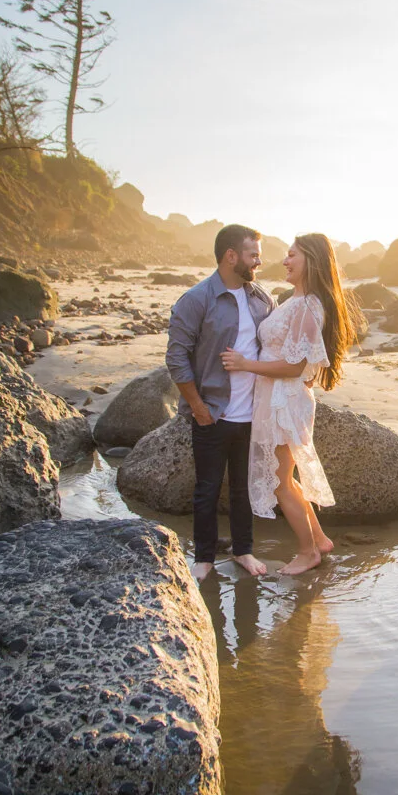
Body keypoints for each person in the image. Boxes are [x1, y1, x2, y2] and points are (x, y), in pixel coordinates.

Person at [221, 233, 359, 575]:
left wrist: (245, 364)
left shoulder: (309, 305)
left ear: (311, 260)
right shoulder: (295, 301)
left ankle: (308, 552)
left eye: (292, 255)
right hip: (276, 396)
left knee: (280, 482)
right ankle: (320, 540)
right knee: (285, 477)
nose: (285, 261)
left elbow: (294, 367)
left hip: (283, 399)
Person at [166, 223, 274, 581]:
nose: (259, 261)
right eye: (253, 255)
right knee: (207, 490)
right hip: (212, 413)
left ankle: (244, 551)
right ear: (231, 256)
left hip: (251, 415)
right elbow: (176, 358)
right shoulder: (196, 299)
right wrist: (198, 407)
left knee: (244, 490)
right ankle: (204, 557)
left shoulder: (261, 299)